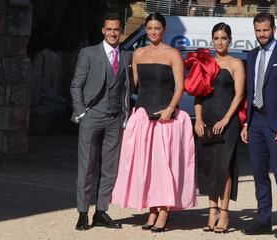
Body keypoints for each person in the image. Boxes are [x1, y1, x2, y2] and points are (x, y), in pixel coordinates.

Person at [111, 12, 196, 232]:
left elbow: (180, 87)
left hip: (165, 117)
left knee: (162, 165)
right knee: (144, 165)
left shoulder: (173, 54)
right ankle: (151, 209)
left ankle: (164, 210)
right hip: (142, 115)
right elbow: (133, 85)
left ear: (164, 30)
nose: (153, 32)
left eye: (157, 28)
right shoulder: (138, 53)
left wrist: (169, 109)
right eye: (149, 28)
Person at [240, 12, 277, 239]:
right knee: (258, 174)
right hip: (256, 122)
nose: (261, 34)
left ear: (273, 29)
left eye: (265, 30)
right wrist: (247, 122)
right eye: (258, 30)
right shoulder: (252, 55)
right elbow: (250, 91)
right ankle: (263, 220)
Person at [70, 13, 132, 230]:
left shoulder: (127, 56)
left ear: (121, 31)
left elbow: (127, 88)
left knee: (109, 167)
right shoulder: (88, 53)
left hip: (115, 118)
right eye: (109, 29)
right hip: (92, 116)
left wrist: (125, 114)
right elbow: (76, 85)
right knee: (86, 166)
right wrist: (81, 112)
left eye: (116, 30)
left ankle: (102, 212)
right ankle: (83, 212)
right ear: (103, 31)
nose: (113, 33)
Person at [194, 23, 245, 233]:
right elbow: (198, 93)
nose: (220, 41)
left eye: (223, 37)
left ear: (230, 40)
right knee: (209, 168)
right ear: (212, 40)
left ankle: (224, 213)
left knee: (224, 168)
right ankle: (212, 210)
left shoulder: (236, 63)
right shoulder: (205, 63)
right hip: (205, 121)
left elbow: (240, 95)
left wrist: (225, 120)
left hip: (227, 123)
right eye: (216, 38)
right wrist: (197, 119)